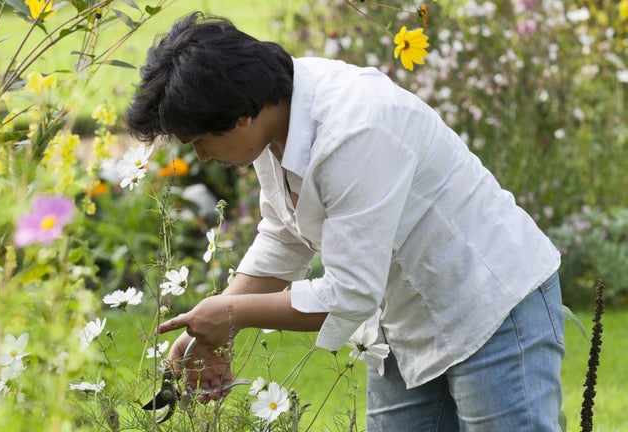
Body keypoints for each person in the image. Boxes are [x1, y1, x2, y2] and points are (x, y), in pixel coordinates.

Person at [125, 11, 564, 431]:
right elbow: (285, 235)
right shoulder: (270, 122)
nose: (200, 155)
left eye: (202, 140)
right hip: (404, 321)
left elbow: (350, 294)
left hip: (490, 307)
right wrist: (215, 327)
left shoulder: (355, 128)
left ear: (243, 114)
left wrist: (232, 314)